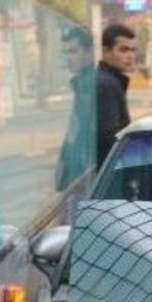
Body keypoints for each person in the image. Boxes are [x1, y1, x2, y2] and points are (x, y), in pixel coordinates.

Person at [56, 27, 95, 191]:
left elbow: (87, 137)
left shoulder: (89, 85)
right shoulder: (82, 84)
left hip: (83, 180)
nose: (68, 58)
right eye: (65, 52)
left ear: (89, 52)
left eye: (73, 51)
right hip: (78, 179)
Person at [96, 23, 135, 164]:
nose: (130, 56)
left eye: (132, 50)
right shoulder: (107, 84)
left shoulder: (109, 80)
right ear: (106, 51)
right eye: (123, 50)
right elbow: (110, 139)